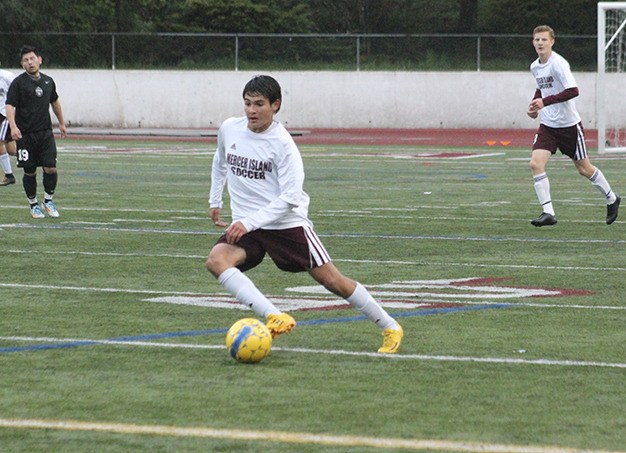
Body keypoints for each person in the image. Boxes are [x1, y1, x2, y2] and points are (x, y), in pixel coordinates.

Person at [206, 75, 403, 353]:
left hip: (285, 224)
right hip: (248, 226)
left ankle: (390, 326)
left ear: (276, 105)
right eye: (247, 103)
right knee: (217, 261)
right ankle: (276, 316)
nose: (251, 110)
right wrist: (215, 200)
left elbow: (290, 198)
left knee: (332, 281)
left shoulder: (283, 145)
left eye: (259, 104)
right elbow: (220, 159)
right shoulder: (229, 129)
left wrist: (248, 221)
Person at [527, 25, 620, 227]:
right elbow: (541, 88)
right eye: (537, 40)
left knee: (584, 169)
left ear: (552, 41)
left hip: (569, 126)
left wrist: (545, 102)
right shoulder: (535, 66)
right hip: (548, 126)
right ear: (533, 42)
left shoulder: (559, 63)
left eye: (544, 39)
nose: (540, 43)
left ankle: (612, 198)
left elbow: (573, 91)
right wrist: (535, 104)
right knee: (535, 163)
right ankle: (548, 212)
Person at [5, 45, 67, 218]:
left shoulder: (48, 81)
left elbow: (55, 102)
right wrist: (13, 126)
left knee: (51, 168)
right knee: (29, 170)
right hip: (25, 135)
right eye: (26, 60)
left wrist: (61, 123)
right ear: (22, 64)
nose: (30, 62)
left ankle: (48, 201)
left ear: (39, 59)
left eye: (32, 58)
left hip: (45, 133)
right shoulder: (18, 83)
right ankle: (33, 204)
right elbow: (9, 105)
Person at [0, 66, 16, 186]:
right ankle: (35, 156)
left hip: (6, 114)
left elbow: (19, 91)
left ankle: (9, 175)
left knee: (0, 142)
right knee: (11, 150)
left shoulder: (7, 76)